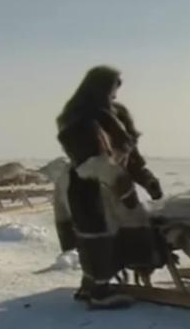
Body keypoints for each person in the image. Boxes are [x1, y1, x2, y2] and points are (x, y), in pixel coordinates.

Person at [54, 65, 165, 309]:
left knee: (124, 228)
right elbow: (92, 162)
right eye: (114, 86)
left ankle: (92, 284)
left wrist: (146, 179)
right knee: (96, 232)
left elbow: (130, 155)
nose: (116, 92)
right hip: (87, 184)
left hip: (113, 183)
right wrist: (122, 187)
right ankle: (99, 291)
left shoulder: (117, 115)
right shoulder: (78, 117)